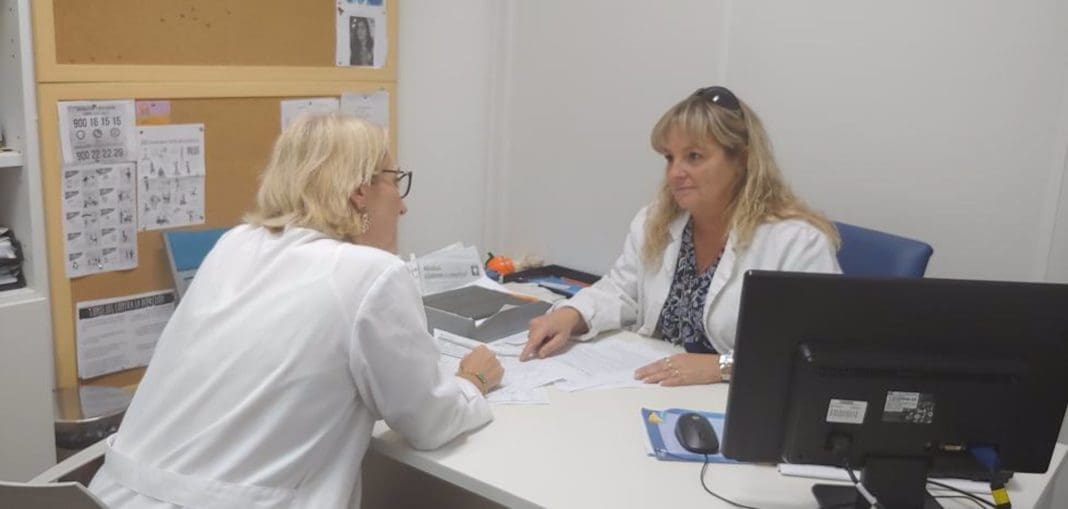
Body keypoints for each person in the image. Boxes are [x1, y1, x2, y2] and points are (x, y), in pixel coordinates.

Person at [88, 113, 504, 508]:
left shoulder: (234, 244)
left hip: (105, 498)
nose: (402, 206)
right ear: (361, 189)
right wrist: (472, 381)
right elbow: (430, 422)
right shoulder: (371, 274)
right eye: (396, 182)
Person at [521, 86, 841, 386]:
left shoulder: (796, 242)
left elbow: (816, 352)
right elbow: (621, 291)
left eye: (694, 157)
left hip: (737, 401)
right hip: (652, 388)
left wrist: (722, 366)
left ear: (742, 161)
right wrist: (571, 314)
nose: (675, 172)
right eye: (669, 157)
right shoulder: (656, 221)